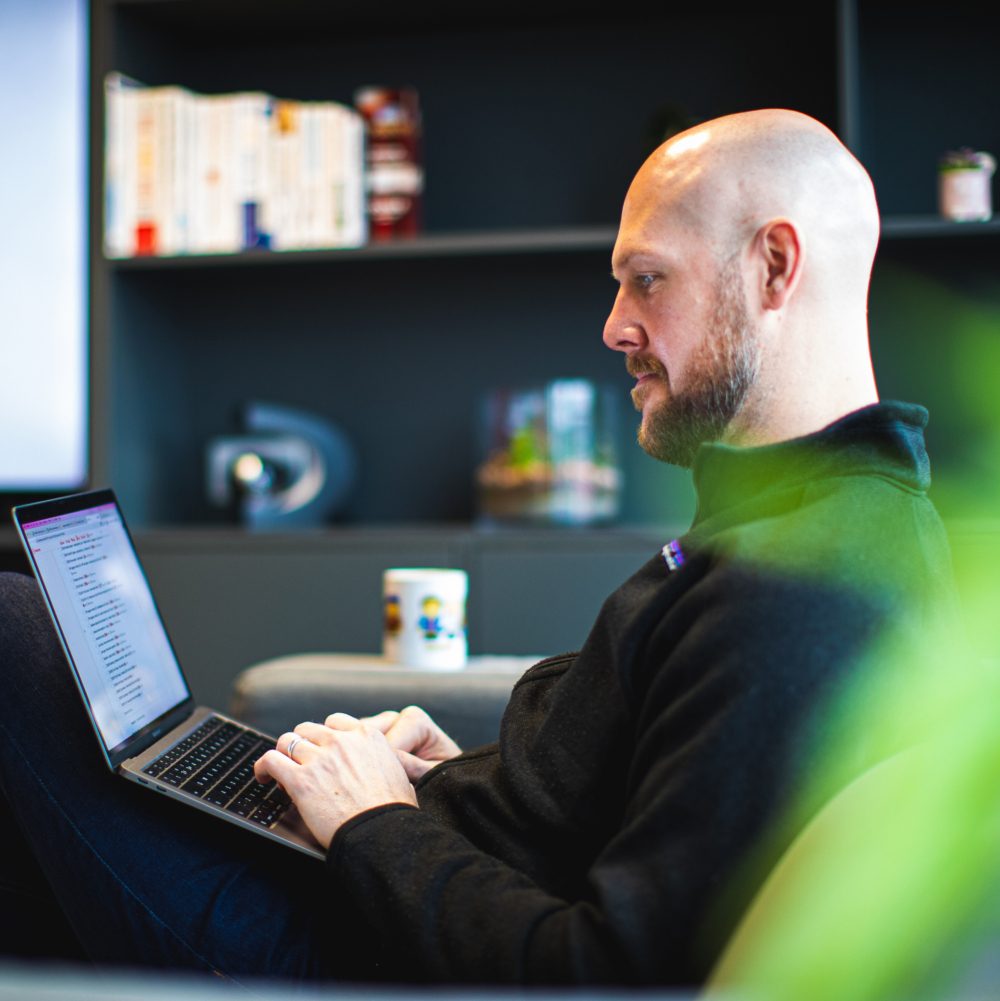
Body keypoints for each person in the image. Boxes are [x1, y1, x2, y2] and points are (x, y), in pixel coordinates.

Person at [0, 109, 958, 987]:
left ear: (774, 267)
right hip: (401, 881)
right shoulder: (818, 513)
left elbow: (610, 971)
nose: (615, 325)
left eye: (647, 279)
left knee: (10, 625)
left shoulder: (795, 591)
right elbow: (640, 784)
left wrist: (374, 825)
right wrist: (463, 784)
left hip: (353, 943)